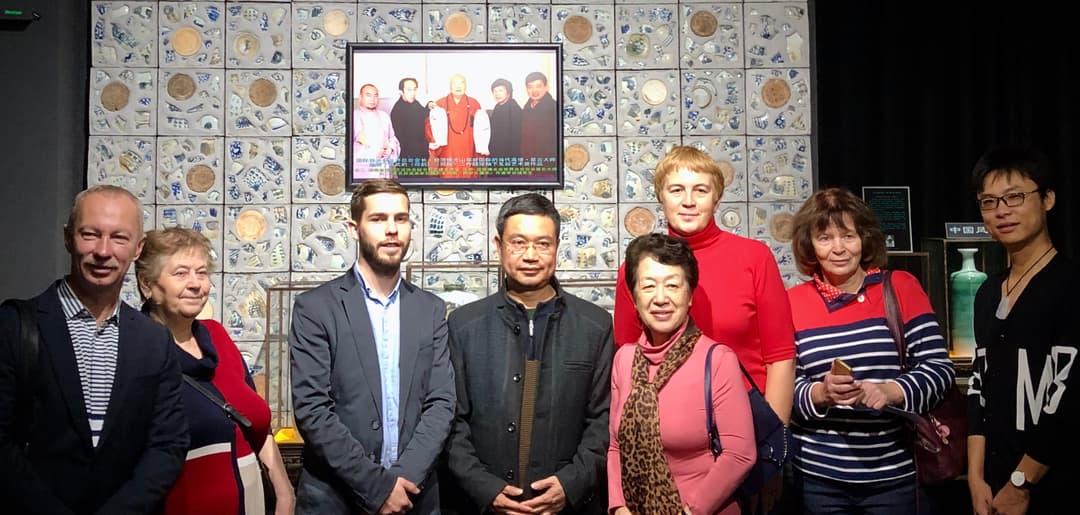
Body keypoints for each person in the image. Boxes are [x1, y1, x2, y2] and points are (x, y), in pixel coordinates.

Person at [612, 145, 796, 512]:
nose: (689, 201)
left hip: (744, 440)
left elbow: (780, 358)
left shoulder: (753, 258)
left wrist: (770, 455)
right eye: (676, 190)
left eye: (701, 189)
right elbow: (629, 364)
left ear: (717, 197)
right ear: (660, 196)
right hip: (670, 442)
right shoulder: (636, 269)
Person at [0, 185, 189, 513]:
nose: (103, 251)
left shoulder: (153, 340)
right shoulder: (14, 326)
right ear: (68, 237)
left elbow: (168, 444)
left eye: (119, 238)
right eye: (90, 234)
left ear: (137, 248)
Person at [290, 179, 456, 514]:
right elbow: (313, 410)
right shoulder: (315, 308)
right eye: (378, 219)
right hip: (336, 498)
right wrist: (378, 488)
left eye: (401, 218)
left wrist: (404, 479)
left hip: (415, 495)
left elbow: (441, 403)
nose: (392, 229)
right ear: (354, 228)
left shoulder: (431, 309)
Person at [785, 187, 955, 513]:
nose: (838, 248)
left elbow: (938, 368)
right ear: (809, 245)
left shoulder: (901, 287)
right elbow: (784, 386)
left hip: (896, 476)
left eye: (848, 236)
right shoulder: (792, 303)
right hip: (818, 480)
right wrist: (821, 393)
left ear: (864, 239)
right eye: (824, 238)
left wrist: (890, 391)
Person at [441, 193, 613, 514]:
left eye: (543, 243)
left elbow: (602, 419)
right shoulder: (464, 325)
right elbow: (451, 421)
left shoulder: (595, 326)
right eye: (518, 242)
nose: (530, 255)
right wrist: (484, 488)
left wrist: (571, 483)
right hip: (480, 504)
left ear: (557, 247)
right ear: (499, 245)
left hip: (569, 505)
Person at [134, 227, 295, 515]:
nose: (196, 284)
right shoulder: (137, 352)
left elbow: (256, 426)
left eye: (202, 272)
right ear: (147, 284)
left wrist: (284, 493)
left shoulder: (218, 337)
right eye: (181, 273)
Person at [966, 147, 1079, 515]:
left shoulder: (1069, 285)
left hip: (1052, 482)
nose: (1002, 210)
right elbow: (978, 386)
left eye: (1015, 196)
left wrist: (1021, 482)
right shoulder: (986, 291)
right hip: (994, 486)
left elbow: (1071, 393)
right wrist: (975, 476)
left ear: (1047, 199)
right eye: (989, 202)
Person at [609, 233, 756, 515]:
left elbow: (740, 455)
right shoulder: (624, 360)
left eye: (673, 286)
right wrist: (618, 507)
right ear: (634, 296)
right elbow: (616, 446)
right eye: (648, 286)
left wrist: (691, 511)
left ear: (689, 296)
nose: (660, 298)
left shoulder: (717, 359)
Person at [426, 74, 482, 177]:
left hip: (468, 149)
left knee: (468, 180)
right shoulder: (440, 103)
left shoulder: (474, 103)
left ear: (466, 86)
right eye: (455, 83)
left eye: (461, 83)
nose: (458, 86)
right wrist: (433, 140)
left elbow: (481, 128)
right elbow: (429, 125)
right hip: (448, 150)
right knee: (448, 179)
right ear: (450, 86)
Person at [353, 84, 401, 180]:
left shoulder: (384, 116)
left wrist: (390, 149)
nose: (372, 99)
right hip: (363, 171)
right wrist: (373, 152)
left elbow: (392, 138)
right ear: (360, 97)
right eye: (368, 95)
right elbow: (348, 147)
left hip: (383, 169)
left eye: (375, 96)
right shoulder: (353, 116)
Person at [390, 77, 430, 171]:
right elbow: (401, 140)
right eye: (409, 90)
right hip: (407, 158)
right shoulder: (397, 110)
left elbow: (422, 114)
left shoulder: (415, 103)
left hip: (420, 155)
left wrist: (429, 106)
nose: (413, 93)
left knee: (422, 183)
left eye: (414, 89)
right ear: (401, 92)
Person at [519, 72, 557, 164]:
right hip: (528, 159)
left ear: (546, 87)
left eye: (538, 86)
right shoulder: (527, 107)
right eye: (530, 87)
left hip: (546, 160)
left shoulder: (553, 107)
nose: (534, 90)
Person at [487, 78, 522, 159]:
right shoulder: (498, 106)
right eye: (495, 91)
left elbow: (516, 137)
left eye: (500, 90)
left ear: (508, 92)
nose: (497, 94)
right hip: (496, 150)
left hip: (508, 153)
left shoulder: (514, 108)